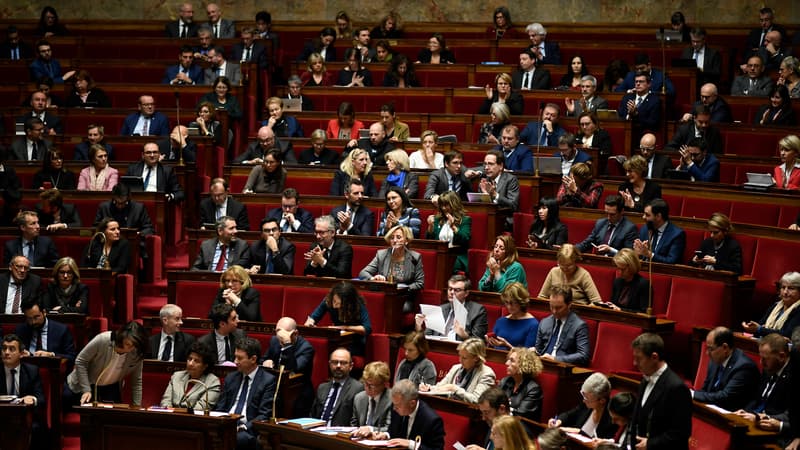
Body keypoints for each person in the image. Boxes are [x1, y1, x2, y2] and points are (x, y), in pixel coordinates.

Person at [629, 333, 692, 450]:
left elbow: (681, 433)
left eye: (639, 358)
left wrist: (651, 444)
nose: (634, 363)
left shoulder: (677, 388)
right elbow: (637, 419)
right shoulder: (645, 379)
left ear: (654, 357)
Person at [64, 321, 147, 406]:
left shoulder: (137, 353)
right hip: (84, 384)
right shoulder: (103, 340)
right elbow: (80, 361)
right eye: (128, 344)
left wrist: (137, 406)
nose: (131, 349)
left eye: (134, 345)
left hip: (110, 387)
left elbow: (136, 381)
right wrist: (86, 389)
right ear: (122, 336)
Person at [214, 337, 276, 450]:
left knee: (237, 438)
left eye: (239, 358)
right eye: (235, 357)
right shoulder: (231, 378)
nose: (235, 362)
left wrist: (243, 427)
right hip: (227, 424)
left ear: (253, 359)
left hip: (248, 430)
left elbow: (264, 414)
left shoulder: (268, 381)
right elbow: (220, 407)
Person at [734, 333, 793, 443]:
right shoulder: (769, 368)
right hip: (757, 424)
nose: (761, 363)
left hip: (775, 432)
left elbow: (789, 414)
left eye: (765, 359)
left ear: (782, 356)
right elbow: (757, 398)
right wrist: (746, 411)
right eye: (760, 357)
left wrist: (758, 417)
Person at [693, 326, 760, 411]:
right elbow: (705, 389)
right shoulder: (715, 361)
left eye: (710, 349)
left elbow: (725, 397)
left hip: (734, 415)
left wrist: (693, 394)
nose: (707, 353)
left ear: (725, 347)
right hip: (714, 409)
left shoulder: (744, 367)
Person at [261, 316, 315, 416]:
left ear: (295, 333)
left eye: (283, 334)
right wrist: (266, 361)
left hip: (297, 391)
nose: (279, 337)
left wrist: (287, 344)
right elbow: (263, 359)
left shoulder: (306, 348)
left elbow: (293, 369)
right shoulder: (274, 340)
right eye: (278, 332)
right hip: (274, 387)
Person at [0, 334, 46, 449]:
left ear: (21, 354)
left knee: (38, 429)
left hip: (24, 418)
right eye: (4, 348)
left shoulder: (32, 371)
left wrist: (33, 399)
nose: (6, 352)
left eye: (11, 349)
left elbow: (41, 399)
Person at [420, 337, 496, 404]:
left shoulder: (486, 374)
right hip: (449, 406)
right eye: (460, 356)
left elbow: (477, 400)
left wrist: (455, 389)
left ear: (476, 358)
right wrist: (429, 388)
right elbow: (440, 387)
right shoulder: (456, 368)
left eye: (464, 358)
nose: (460, 360)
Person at [416, 274, 488, 341]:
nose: (452, 292)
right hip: (437, 347)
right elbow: (426, 337)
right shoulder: (441, 309)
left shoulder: (477, 311)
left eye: (457, 290)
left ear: (466, 293)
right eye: (450, 289)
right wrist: (419, 327)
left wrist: (464, 335)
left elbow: (479, 343)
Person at [306, 281, 371, 356]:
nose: (334, 306)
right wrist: (309, 324)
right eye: (334, 301)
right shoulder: (328, 300)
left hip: (354, 342)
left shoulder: (357, 304)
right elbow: (313, 318)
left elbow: (367, 328)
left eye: (339, 304)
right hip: (336, 340)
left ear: (348, 302)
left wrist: (344, 327)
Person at [548, 372, 617, 439]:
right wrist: (558, 421)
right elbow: (568, 415)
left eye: (587, 398)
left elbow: (601, 442)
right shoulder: (586, 405)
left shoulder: (612, 419)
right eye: (584, 397)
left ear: (602, 401)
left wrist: (579, 432)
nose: (583, 400)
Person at [360, 223, 424, 292]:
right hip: (385, 293)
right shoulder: (382, 255)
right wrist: (373, 278)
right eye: (392, 238)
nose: (395, 240)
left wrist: (403, 289)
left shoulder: (415, 257)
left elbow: (420, 283)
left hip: (405, 296)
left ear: (406, 241)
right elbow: (363, 273)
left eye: (398, 237)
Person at [535, 286, 590, 365]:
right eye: (551, 306)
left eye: (558, 308)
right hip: (542, 364)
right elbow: (538, 350)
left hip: (562, 367)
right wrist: (534, 351)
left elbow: (583, 356)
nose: (554, 311)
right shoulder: (544, 322)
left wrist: (555, 359)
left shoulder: (579, 326)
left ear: (569, 305)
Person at [310, 347, 364, 426]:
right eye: (335, 362)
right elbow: (313, 415)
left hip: (340, 435)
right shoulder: (322, 388)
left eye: (343, 363)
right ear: (329, 364)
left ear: (351, 366)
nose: (338, 366)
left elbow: (357, 421)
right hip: (318, 433)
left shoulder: (357, 389)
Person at [161, 341, 220, 410]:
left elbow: (200, 409)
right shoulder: (177, 376)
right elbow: (166, 401)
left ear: (205, 366)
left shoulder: (212, 382)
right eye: (189, 359)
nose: (191, 363)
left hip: (194, 419)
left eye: (196, 361)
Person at [742, 272, 800, 338]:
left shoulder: (798, 309)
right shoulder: (776, 305)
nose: (785, 292)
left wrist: (759, 329)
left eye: (791, 288)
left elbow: (787, 334)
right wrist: (751, 327)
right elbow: (760, 324)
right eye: (783, 287)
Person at [17, 299, 76, 363]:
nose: (33, 322)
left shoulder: (61, 330)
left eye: (36, 317)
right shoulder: (21, 330)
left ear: (44, 312)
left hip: (51, 368)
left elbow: (72, 356)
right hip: (27, 368)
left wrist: (51, 355)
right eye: (29, 318)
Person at [426, 191, 472, 273]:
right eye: (442, 205)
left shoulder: (465, 220)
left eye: (446, 205)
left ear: (453, 204)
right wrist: (431, 226)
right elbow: (429, 240)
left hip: (456, 256)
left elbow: (465, 239)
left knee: (444, 265)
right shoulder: (438, 219)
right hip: (438, 255)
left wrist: (453, 226)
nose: (443, 208)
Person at [634, 199, 686, 264]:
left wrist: (649, 254)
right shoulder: (645, 229)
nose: (643, 217)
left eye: (647, 215)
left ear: (658, 216)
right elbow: (639, 256)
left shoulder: (677, 235)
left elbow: (671, 261)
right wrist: (636, 253)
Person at [487, 283, 539, 350]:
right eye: (506, 302)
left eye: (513, 302)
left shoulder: (533, 324)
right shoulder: (501, 321)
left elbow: (527, 356)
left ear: (521, 301)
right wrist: (490, 342)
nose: (509, 306)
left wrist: (508, 346)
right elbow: (493, 348)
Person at [497, 347, 543, 421]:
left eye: (512, 361)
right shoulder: (505, 381)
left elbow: (521, 416)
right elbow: (494, 402)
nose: (506, 363)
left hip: (521, 427)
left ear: (523, 365)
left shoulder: (533, 389)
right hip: (503, 421)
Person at [350, 361, 393, 437]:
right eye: (365, 383)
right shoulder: (359, 398)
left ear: (384, 384)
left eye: (372, 385)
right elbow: (353, 425)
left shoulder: (392, 399)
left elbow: (389, 428)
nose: (367, 388)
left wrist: (371, 429)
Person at [609, 248, 651, 313]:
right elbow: (614, 304)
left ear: (632, 266)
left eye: (622, 269)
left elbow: (644, 312)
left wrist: (621, 310)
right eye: (618, 268)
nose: (619, 272)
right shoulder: (617, 282)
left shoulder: (644, 284)